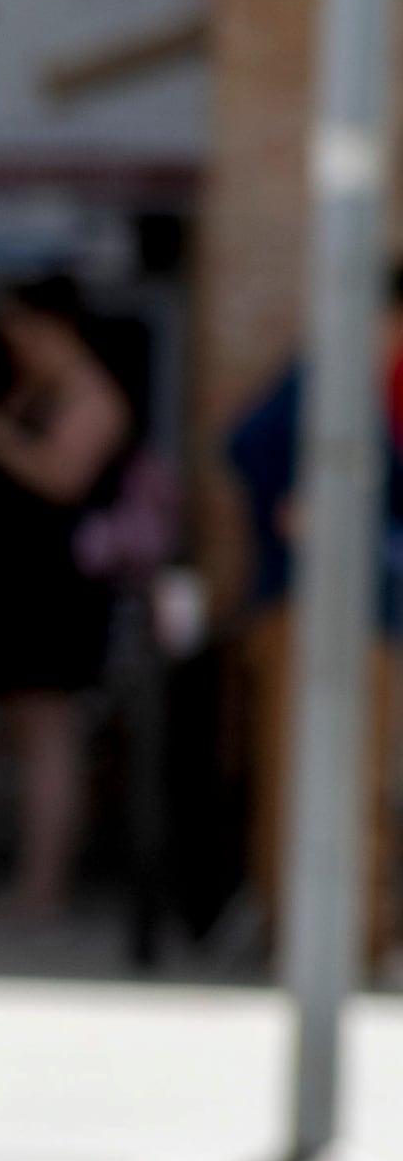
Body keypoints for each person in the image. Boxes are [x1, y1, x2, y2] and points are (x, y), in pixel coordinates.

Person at [0, 275, 135, 915]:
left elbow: (61, 476)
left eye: (20, 325)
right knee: (27, 734)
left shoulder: (90, 394)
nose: (11, 338)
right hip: (10, 581)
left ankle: (43, 886)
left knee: (51, 735)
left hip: (54, 589)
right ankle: (32, 878)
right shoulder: (30, 388)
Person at [218, 305, 403, 978]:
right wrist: (293, 499)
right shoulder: (329, 373)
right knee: (308, 775)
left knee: (363, 775)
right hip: (312, 609)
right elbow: (244, 445)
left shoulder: (373, 379)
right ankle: (312, 939)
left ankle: (359, 939)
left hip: (370, 613)